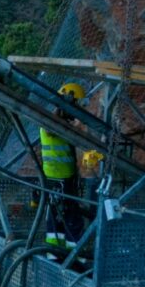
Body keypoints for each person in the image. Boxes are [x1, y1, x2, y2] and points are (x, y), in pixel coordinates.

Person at [39, 83, 87, 254]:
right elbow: (55, 129)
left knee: (58, 215)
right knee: (70, 215)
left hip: (59, 177)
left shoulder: (59, 122)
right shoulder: (52, 122)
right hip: (60, 177)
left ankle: (57, 253)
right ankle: (75, 255)